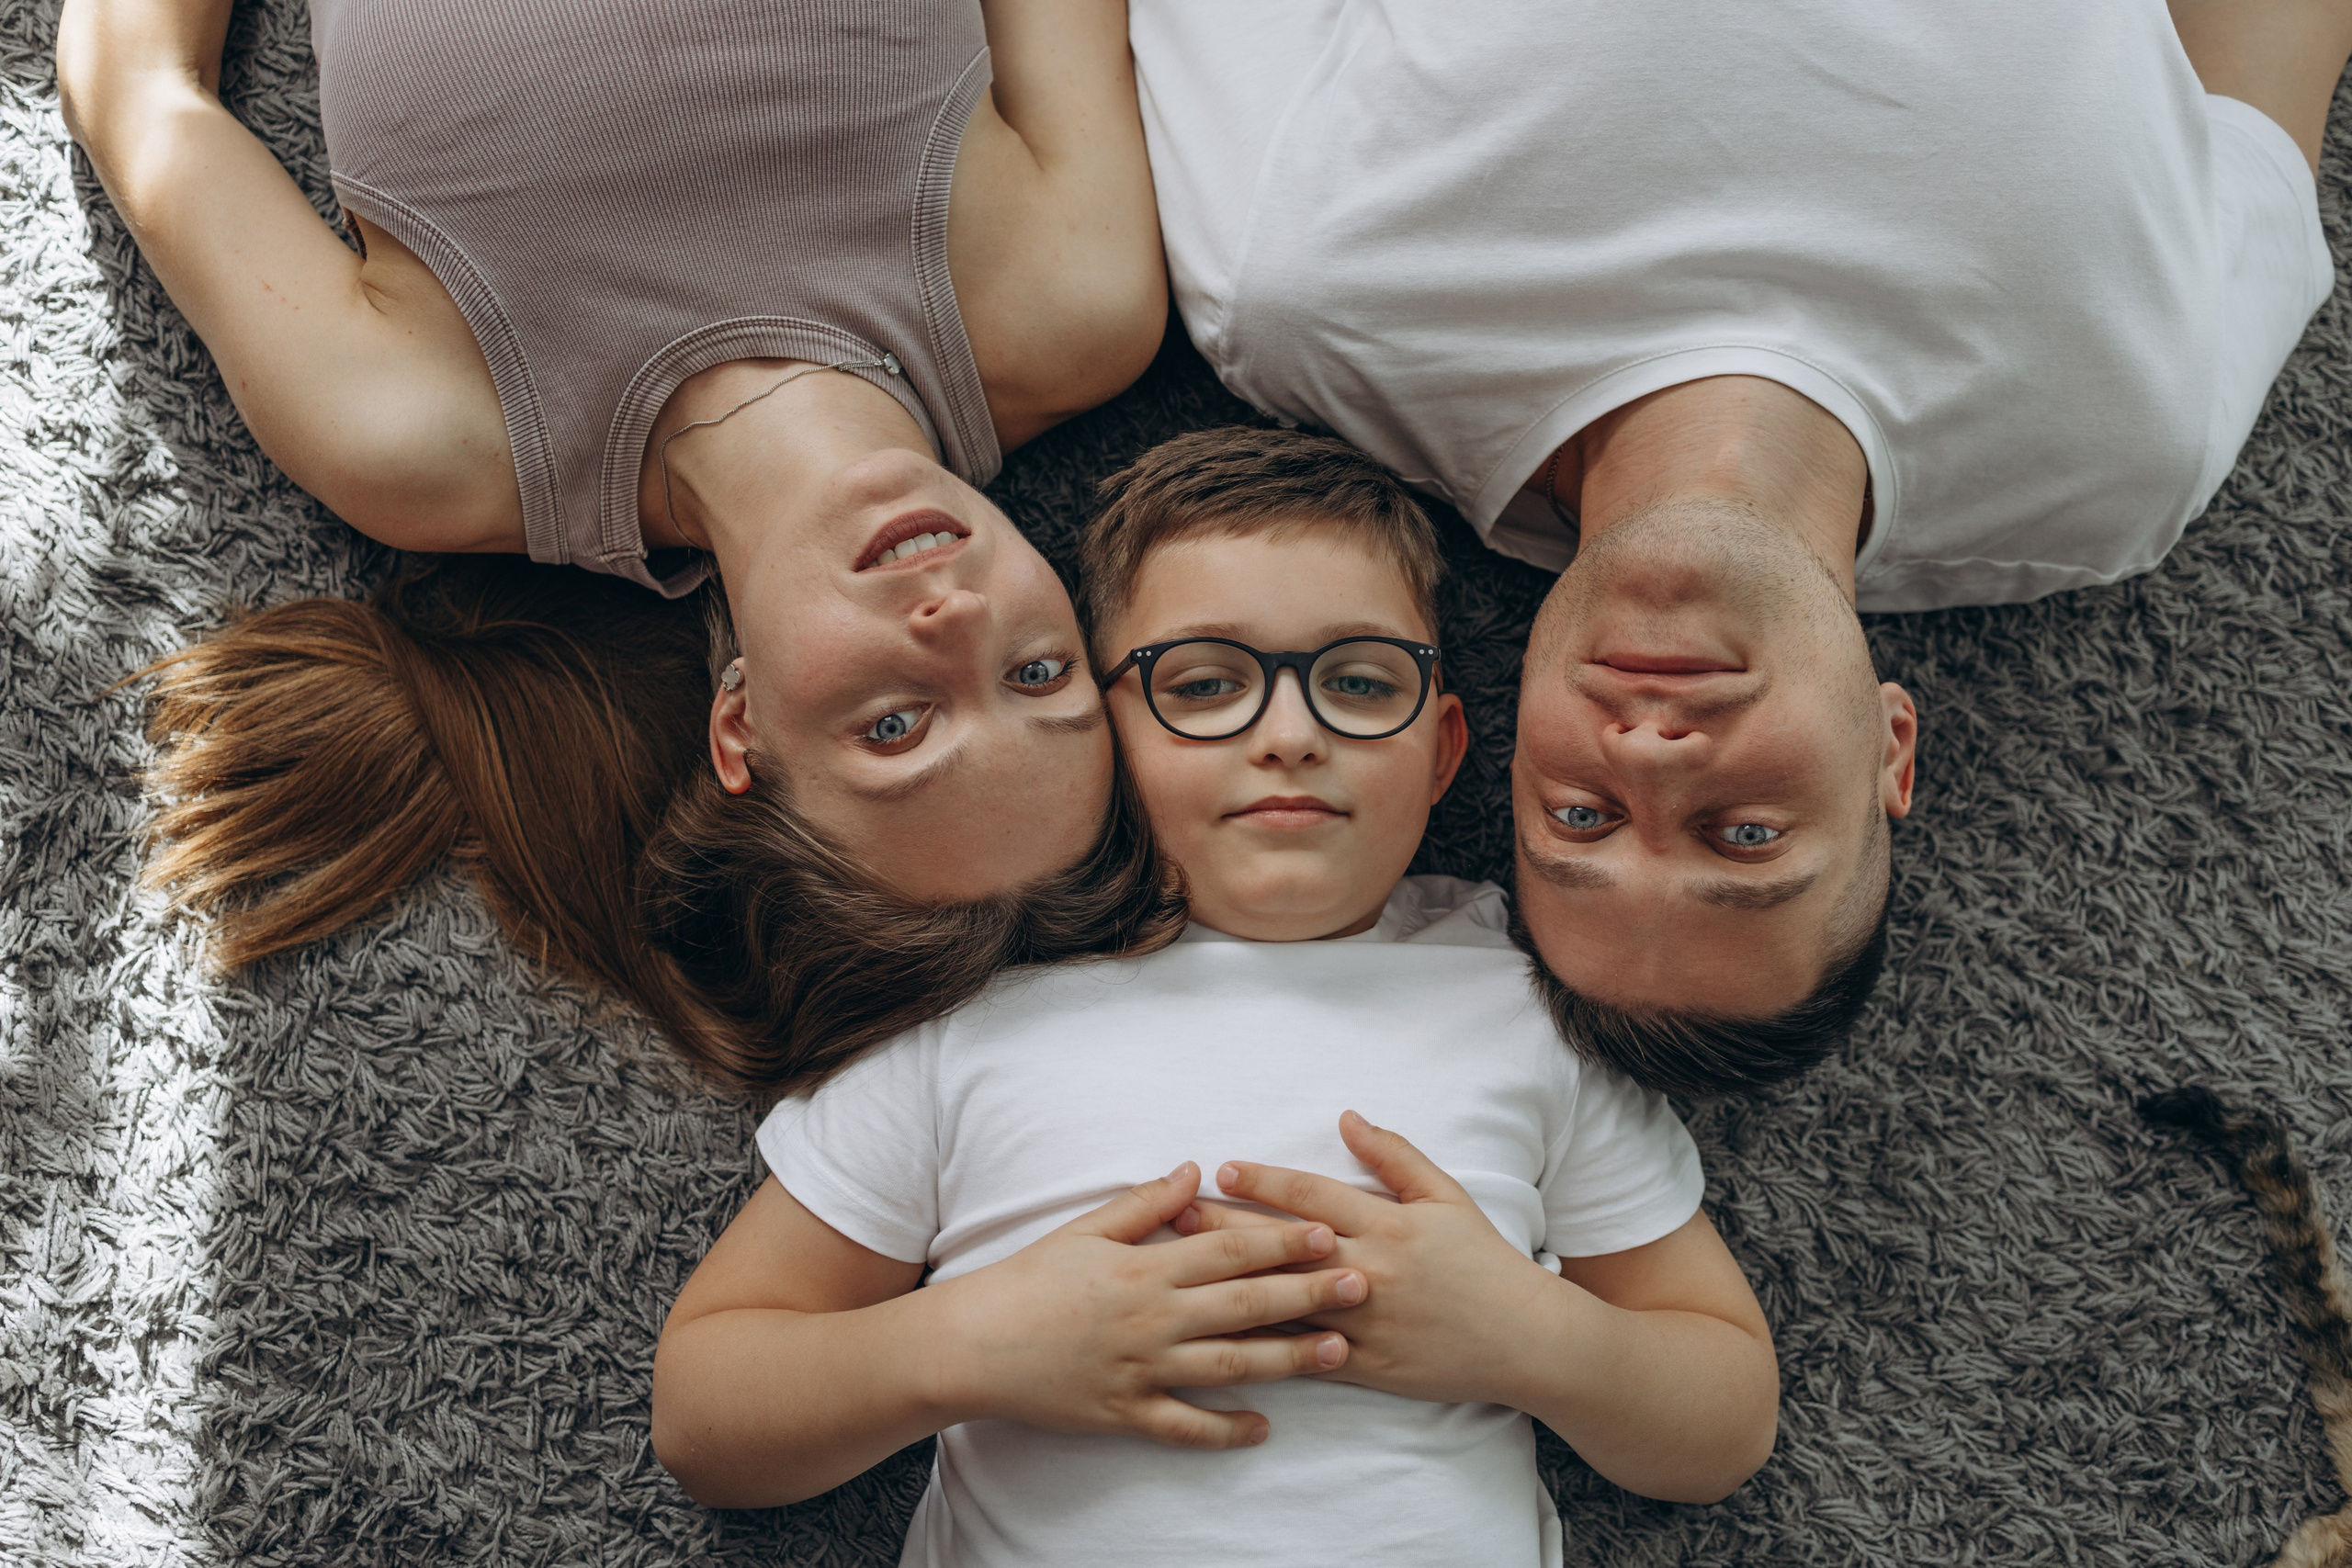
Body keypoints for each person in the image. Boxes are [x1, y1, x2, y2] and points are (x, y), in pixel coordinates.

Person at [1126, 0, 2350, 1091]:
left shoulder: (1298, 288)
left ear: (1480, 745)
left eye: (1584, 817)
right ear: (1891, 747)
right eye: (1745, 833)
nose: (1654, 754)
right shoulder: (2129, 450)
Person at [652, 428, 1777, 1563]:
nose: (1289, 737)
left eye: (1357, 682)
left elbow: (1723, 1420)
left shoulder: (1526, 1008)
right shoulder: (981, 1011)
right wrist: (965, 1343)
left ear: (1441, 755)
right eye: (1203, 684)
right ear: (1100, 731)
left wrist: (1535, 1339)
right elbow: (706, 1417)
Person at [55, 0, 1182, 1081]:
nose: (957, 623)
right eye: (1038, 674)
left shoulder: (422, 441)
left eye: (895, 726)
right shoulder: (1072, 303)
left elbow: (137, 84)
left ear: (742, 727)